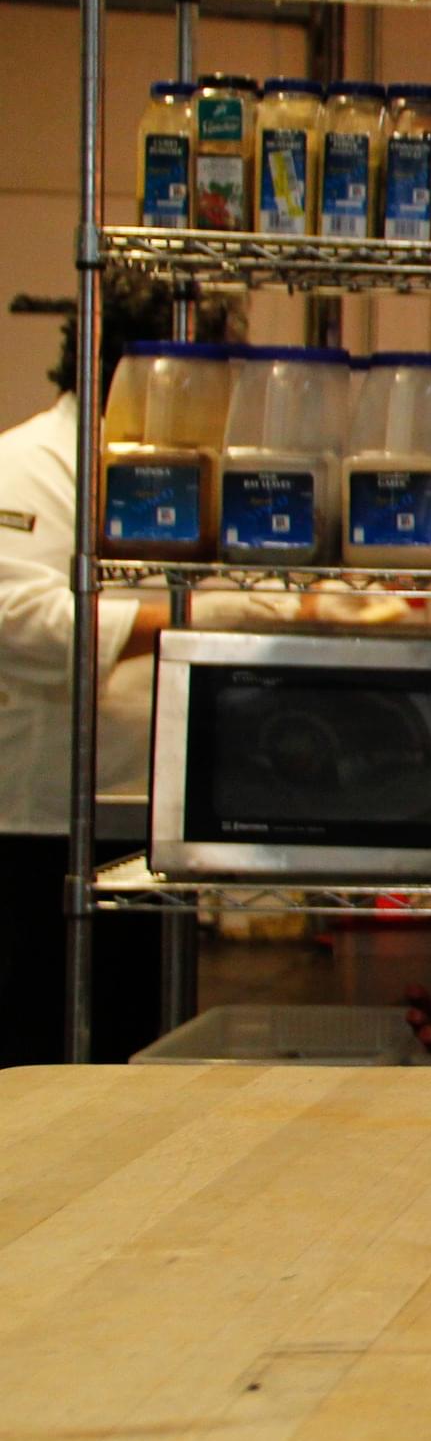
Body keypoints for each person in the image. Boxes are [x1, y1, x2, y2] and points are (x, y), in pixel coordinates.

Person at [0, 276, 237, 1063]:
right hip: (40, 825)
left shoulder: (171, 468)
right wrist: (182, 623)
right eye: (204, 374)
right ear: (143, 368)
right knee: (43, 1052)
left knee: (141, 1048)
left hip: (149, 815)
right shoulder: (24, 466)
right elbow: (19, 619)